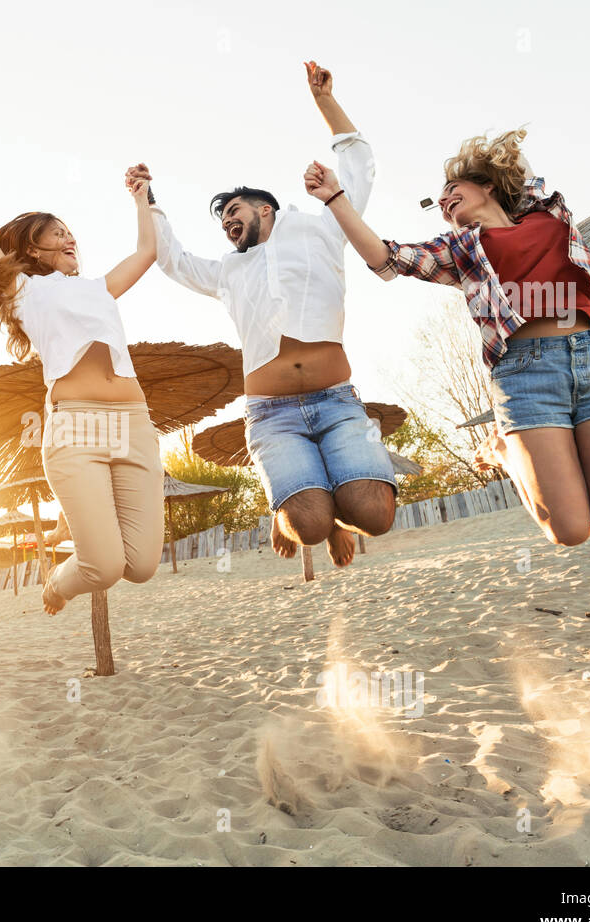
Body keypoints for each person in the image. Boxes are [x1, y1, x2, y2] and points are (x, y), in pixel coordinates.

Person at [308, 127, 590, 546]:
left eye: (453, 188)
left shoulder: (547, 210)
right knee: (570, 531)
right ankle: (506, 450)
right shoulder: (459, 249)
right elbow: (384, 256)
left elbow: (516, 168)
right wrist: (334, 198)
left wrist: (488, 160)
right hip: (527, 374)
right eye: (441, 201)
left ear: (488, 186)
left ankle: (517, 449)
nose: (445, 200)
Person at [128, 61, 396, 569]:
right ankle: (299, 511)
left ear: (265, 209)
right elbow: (173, 261)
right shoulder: (230, 271)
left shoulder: (323, 228)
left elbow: (360, 168)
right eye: (224, 222)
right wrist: (148, 199)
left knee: (375, 515)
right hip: (272, 416)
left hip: (337, 403)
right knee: (310, 524)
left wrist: (325, 103)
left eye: (234, 214)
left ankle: (339, 510)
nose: (228, 224)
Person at [0, 115, 165, 615]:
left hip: (134, 425)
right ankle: (56, 583)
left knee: (142, 565)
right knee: (103, 567)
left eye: (70, 232)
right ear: (31, 250)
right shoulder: (24, 292)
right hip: (75, 428)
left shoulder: (98, 288)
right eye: (56, 234)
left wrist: (142, 197)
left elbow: (147, 250)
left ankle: (75, 563)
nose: (70, 240)